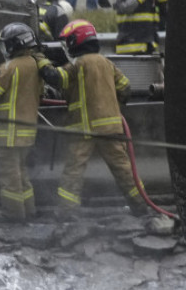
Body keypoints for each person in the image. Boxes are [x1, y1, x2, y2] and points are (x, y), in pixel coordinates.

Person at [41, 19, 148, 218]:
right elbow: (125, 88)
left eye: (68, 42)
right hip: (111, 128)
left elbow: (57, 79)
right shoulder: (106, 63)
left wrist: (41, 61)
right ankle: (141, 206)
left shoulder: (79, 64)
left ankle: (66, 212)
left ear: (76, 41)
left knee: (73, 171)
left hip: (83, 129)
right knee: (124, 169)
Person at [0, 22, 54, 221]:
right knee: (22, 175)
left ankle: (13, 216)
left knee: (9, 179)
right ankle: (29, 211)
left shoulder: (10, 67)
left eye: (5, 45)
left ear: (14, 45)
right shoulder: (35, 65)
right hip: (27, 135)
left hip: (8, 135)